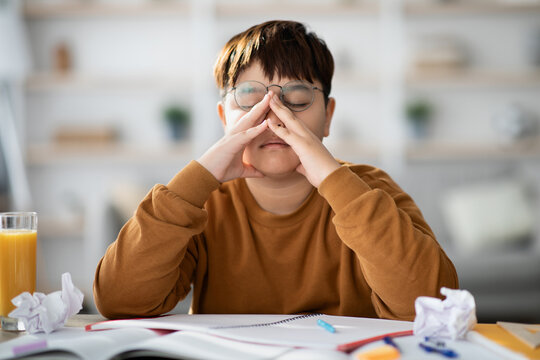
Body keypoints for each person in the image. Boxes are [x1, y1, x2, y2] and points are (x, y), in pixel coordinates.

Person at [93, 20, 458, 321]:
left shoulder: (369, 190)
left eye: (296, 100)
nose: (273, 117)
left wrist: (335, 182)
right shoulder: (201, 203)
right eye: (250, 101)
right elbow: (118, 300)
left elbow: (435, 307)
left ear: (328, 116)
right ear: (224, 118)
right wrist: (199, 175)